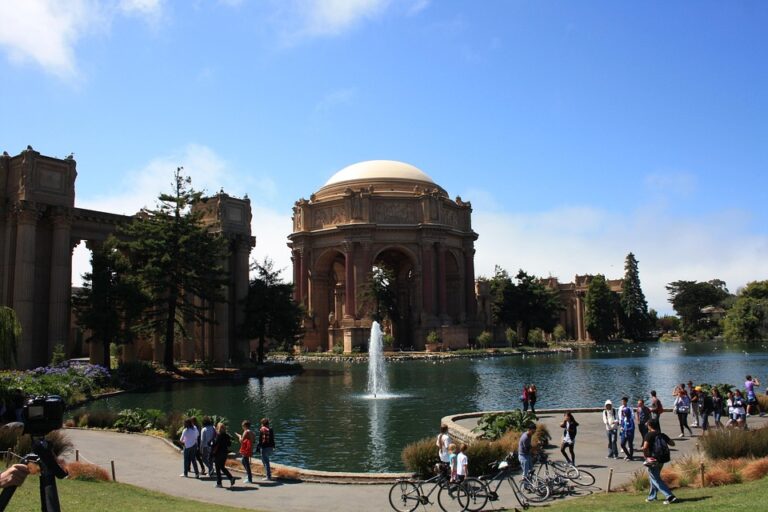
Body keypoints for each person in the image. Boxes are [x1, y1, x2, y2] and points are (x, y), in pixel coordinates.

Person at [642, 420, 678, 504]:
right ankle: (652, 497)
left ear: (650, 426)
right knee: (654, 477)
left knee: (655, 479)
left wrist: (646, 456)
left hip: (653, 460)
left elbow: (645, 447)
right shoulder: (662, 434)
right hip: (662, 459)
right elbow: (672, 443)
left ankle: (670, 496)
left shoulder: (649, 435)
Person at [212, 422, 236, 488]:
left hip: (218, 453)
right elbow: (229, 444)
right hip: (225, 453)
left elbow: (215, 444)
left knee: (217, 468)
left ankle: (219, 483)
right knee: (222, 467)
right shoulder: (226, 436)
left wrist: (211, 444)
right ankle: (231, 478)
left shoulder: (218, 436)